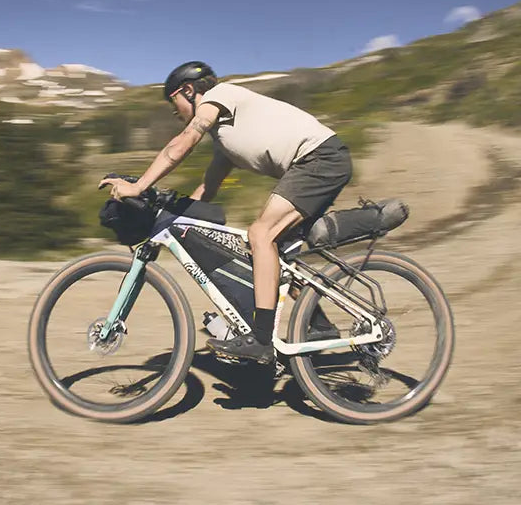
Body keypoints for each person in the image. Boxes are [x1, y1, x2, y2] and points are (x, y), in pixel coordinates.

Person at [99, 61, 353, 362]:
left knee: (261, 234)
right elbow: (205, 192)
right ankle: (320, 327)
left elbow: (185, 142)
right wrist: (173, 223)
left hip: (319, 160)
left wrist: (138, 186)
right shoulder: (225, 141)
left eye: (175, 103)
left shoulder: (218, 96)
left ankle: (261, 340)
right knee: (270, 252)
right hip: (319, 162)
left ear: (189, 91)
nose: (176, 112)